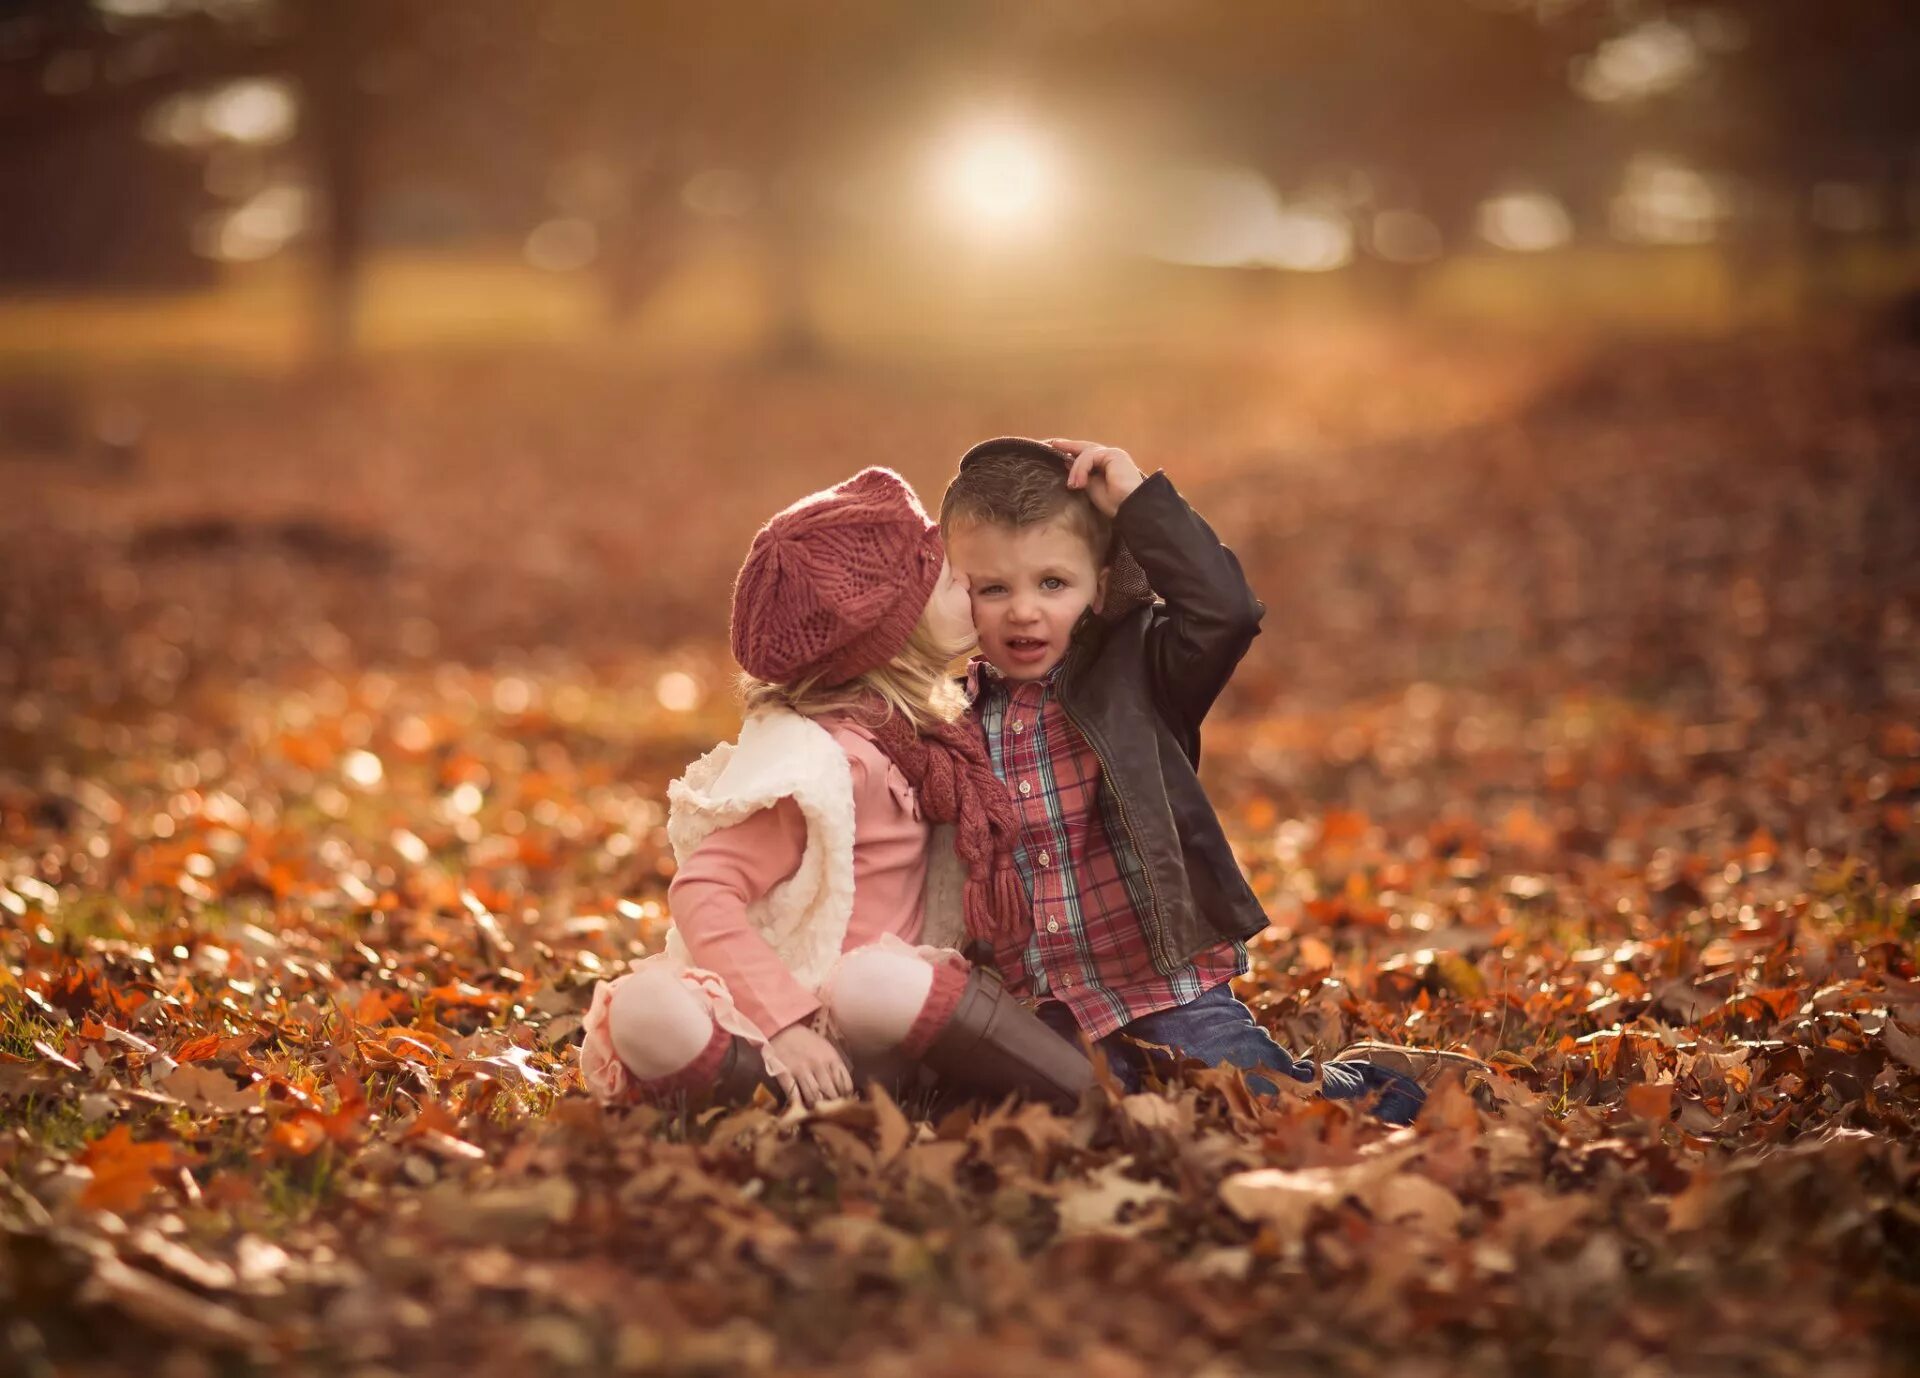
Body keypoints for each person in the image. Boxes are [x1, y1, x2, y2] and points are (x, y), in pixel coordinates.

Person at [942, 437, 1479, 1125]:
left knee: (1252, 1099)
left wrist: (1140, 505)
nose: (1024, 611)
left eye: (1053, 583)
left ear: (1100, 586)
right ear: (959, 595)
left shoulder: (1139, 669)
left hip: (1164, 984)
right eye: (994, 588)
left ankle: (1382, 1086)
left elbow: (1226, 611)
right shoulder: (949, 717)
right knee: (1074, 1114)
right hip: (1042, 1002)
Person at [579, 467, 1093, 1112]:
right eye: (945, 577)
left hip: (883, 1014)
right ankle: (778, 1092)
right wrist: (788, 1025)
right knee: (646, 1008)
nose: (967, 579)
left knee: (873, 983)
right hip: (788, 1010)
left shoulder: (930, 738)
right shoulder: (823, 764)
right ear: (892, 633)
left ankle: (1081, 1091)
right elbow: (704, 891)